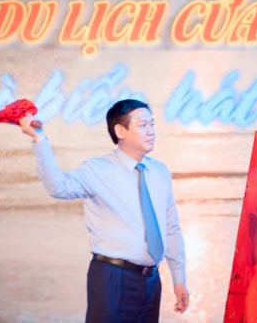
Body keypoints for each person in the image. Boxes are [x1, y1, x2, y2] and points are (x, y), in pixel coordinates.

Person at [19, 99, 189, 322]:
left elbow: (171, 227)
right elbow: (58, 187)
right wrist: (39, 139)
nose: (151, 131)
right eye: (142, 125)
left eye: (152, 124)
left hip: (151, 280)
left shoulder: (159, 171)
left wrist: (179, 279)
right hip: (112, 276)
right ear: (120, 130)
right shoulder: (97, 169)